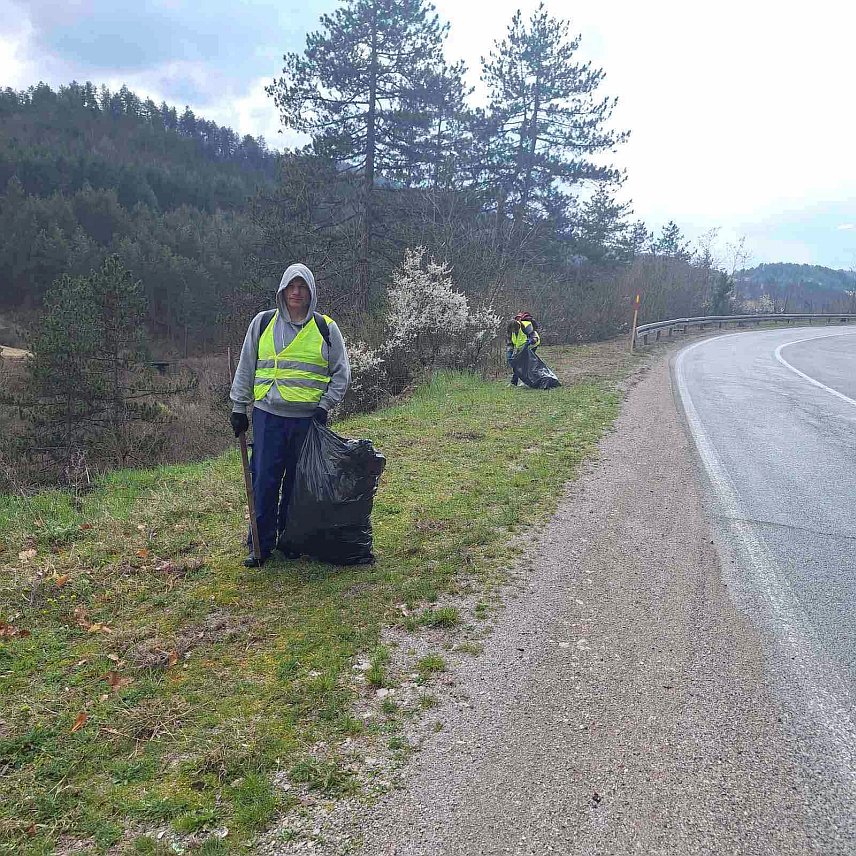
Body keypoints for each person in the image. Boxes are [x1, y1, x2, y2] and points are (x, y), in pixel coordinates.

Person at [229, 263, 351, 567]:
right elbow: (246, 368)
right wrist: (238, 407)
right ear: (283, 291)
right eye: (291, 287)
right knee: (264, 482)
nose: (296, 293)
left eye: (303, 287)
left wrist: (324, 406)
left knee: (299, 484)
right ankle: (260, 545)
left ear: (311, 292)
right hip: (267, 418)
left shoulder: (326, 328)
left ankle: (291, 539)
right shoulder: (262, 323)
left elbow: (341, 374)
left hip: (307, 422)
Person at [505, 312, 540, 386]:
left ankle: (525, 381)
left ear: (518, 327)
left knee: (525, 363)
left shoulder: (526, 326)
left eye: (515, 330)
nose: (514, 332)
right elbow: (510, 343)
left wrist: (531, 341)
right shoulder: (510, 331)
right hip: (520, 347)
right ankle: (514, 383)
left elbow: (534, 337)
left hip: (531, 346)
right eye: (512, 331)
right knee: (516, 363)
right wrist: (509, 352)